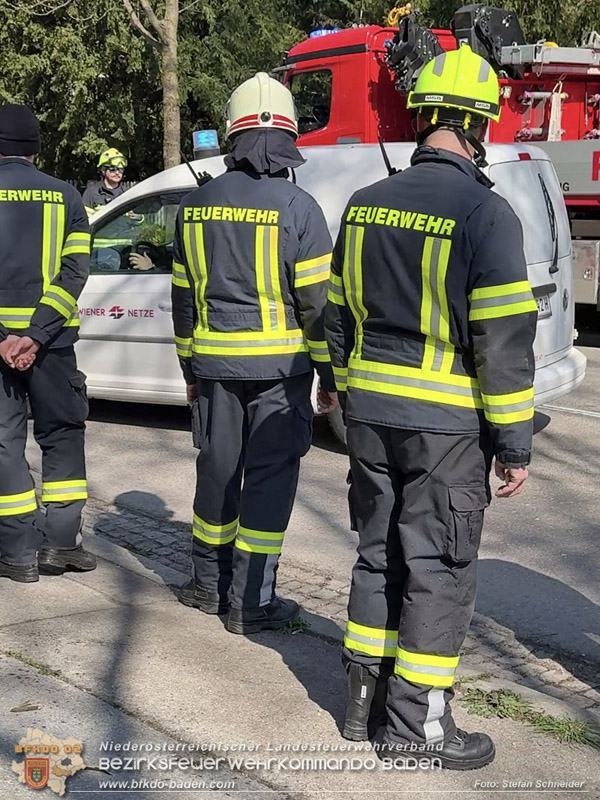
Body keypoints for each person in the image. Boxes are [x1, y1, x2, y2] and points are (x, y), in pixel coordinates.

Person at [325, 46, 537, 769]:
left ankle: (362, 705)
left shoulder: (364, 204)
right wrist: (513, 443)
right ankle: (419, 732)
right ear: (482, 123)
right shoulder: (485, 213)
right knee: (438, 569)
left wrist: (345, 394)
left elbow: (337, 316)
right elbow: (503, 343)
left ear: (425, 118)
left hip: (370, 417)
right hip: (445, 430)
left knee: (377, 555)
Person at [172, 72, 337, 634]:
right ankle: (251, 602)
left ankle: (205, 585)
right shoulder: (301, 207)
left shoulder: (194, 206)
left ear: (231, 134)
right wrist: (330, 376)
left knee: (216, 473)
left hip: (214, 371)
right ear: (288, 136)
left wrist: (188, 369)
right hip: (280, 374)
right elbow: (316, 307)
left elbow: (184, 300)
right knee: (268, 482)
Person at [0, 104, 96, 582]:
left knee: (3, 442)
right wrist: (36, 335)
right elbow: (75, 272)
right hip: (54, 346)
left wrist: (6, 338)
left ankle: (17, 552)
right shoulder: (67, 198)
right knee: (61, 436)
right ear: (36, 150)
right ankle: (60, 544)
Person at [82, 148, 127, 215]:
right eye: (112, 169)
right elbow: (82, 218)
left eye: (120, 169)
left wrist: (138, 219)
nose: (117, 172)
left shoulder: (127, 193)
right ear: (103, 170)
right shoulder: (91, 193)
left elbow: (140, 218)